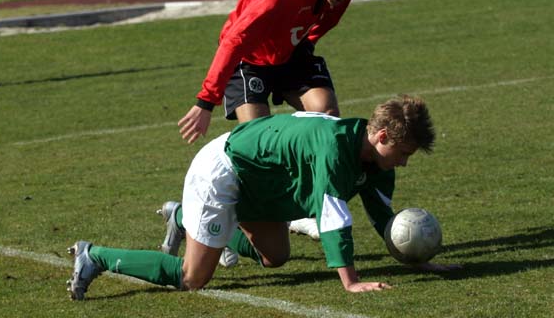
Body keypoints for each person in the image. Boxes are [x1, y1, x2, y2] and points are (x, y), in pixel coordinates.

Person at [67, 96, 461, 300]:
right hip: (223, 170)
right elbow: (332, 218)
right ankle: (95, 255)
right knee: (193, 279)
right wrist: (351, 283)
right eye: (404, 153)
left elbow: (384, 218)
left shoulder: (374, 157)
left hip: (258, 183)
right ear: (382, 137)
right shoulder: (335, 150)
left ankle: (185, 218)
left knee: (275, 257)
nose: (404, 163)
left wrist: (418, 259)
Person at [177, 0, 375, 242]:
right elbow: (234, 42)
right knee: (259, 146)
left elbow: (325, 19)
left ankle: (308, 206)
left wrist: (305, 43)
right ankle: (186, 217)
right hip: (249, 57)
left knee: (327, 117)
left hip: (291, 52)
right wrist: (205, 101)